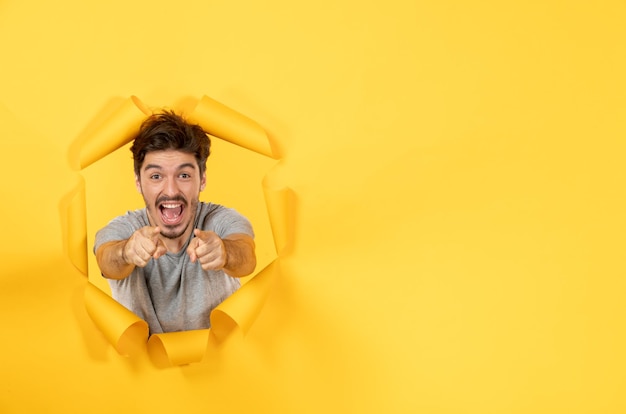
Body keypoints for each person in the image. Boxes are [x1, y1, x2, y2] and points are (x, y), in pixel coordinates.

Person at [93, 110, 256, 334]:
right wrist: (126, 252)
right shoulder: (125, 228)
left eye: (184, 175)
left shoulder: (220, 219)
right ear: (139, 183)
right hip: (141, 366)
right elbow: (106, 261)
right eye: (156, 176)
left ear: (203, 179)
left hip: (219, 366)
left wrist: (225, 252)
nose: (171, 191)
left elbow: (247, 257)